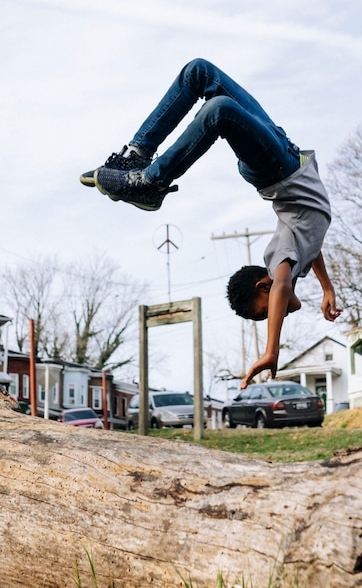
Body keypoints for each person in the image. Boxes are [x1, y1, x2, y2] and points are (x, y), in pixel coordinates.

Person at [81, 58, 340, 387]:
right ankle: (140, 159)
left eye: (266, 312)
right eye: (267, 316)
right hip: (282, 157)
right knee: (201, 78)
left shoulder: (280, 264)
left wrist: (271, 350)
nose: (274, 314)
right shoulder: (294, 257)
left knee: (216, 103)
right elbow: (312, 244)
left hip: (277, 165)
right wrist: (326, 287)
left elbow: (284, 285)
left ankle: (150, 179)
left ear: (265, 287)